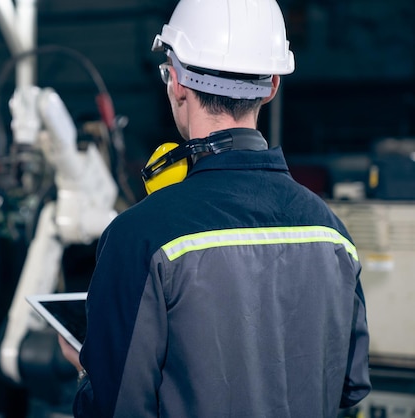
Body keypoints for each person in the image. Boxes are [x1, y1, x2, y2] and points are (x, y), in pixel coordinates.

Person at [58, 0, 371, 416]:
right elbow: (351, 384)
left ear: (177, 84)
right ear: (273, 84)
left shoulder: (140, 236)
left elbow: (117, 406)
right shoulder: (334, 234)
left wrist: (90, 369)